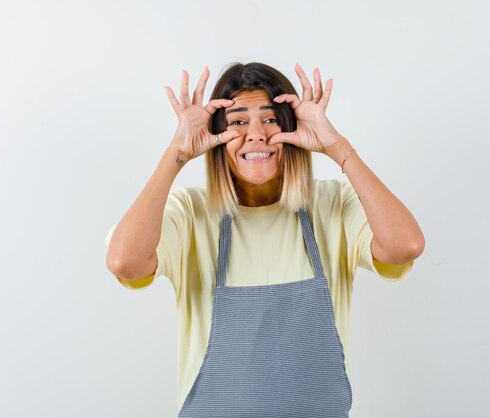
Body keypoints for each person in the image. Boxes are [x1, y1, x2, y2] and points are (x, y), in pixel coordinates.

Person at [104, 62, 425, 417]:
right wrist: (175, 154)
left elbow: (404, 246)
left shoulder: (333, 205)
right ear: (217, 138)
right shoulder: (190, 212)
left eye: (271, 119)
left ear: (292, 128)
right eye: (238, 122)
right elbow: (125, 262)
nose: (255, 134)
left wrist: (337, 146)